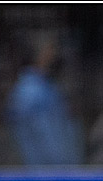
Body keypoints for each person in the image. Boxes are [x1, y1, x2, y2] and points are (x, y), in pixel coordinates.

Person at [5, 30, 83, 166]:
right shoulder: (29, 91)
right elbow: (42, 136)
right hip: (44, 173)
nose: (55, 53)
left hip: (61, 170)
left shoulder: (47, 86)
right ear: (41, 53)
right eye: (51, 48)